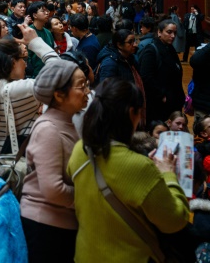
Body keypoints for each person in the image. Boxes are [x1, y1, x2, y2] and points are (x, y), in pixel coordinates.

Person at [67, 78, 190, 262]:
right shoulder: (140, 168)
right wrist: (168, 174)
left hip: (85, 255)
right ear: (132, 113)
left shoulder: (80, 149)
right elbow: (174, 221)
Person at [20, 59, 89, 263]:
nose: (87, 91)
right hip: (46, 227)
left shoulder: (68, 122)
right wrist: (88, 197)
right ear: (59, 95)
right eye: (81, 86)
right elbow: (53, 190)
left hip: (61, 225)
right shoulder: (49, 129)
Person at [0, 24, 58, 167]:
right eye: (23, 59)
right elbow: (61, 72)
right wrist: (35, 42)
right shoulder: (17, 90)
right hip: (13, 168)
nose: (25, 64)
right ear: (12, 62)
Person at [138, 18, 184, 124]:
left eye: (175, 33)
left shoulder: (169, 48)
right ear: (159, 32)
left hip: (173, 101)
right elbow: (146, 77)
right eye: (169, 32)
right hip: (159, 105)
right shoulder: (151, 50)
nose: (173, 36)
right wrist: (162, 96)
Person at [25, 1, 54, 78]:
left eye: (47, 10)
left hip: (49, 73)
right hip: (34, 75)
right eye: (43, 11)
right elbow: (27, 56)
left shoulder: (48, 32)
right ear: (34, 15)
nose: (47, 13)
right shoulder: (28, 31)